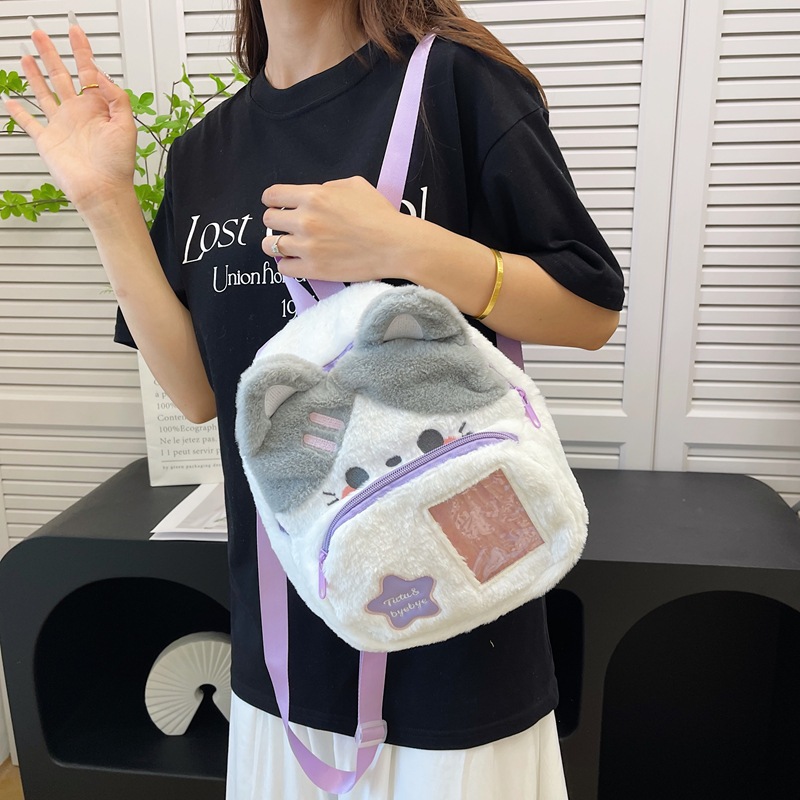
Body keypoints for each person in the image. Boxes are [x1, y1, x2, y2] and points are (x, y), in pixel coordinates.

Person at [6, 1, 624, 797]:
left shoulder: (456, 85)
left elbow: (589, 312)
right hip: (286, 648)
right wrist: (105, 202)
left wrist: (405, 244)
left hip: (463, 646)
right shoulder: (205, 151)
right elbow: (200, 394)